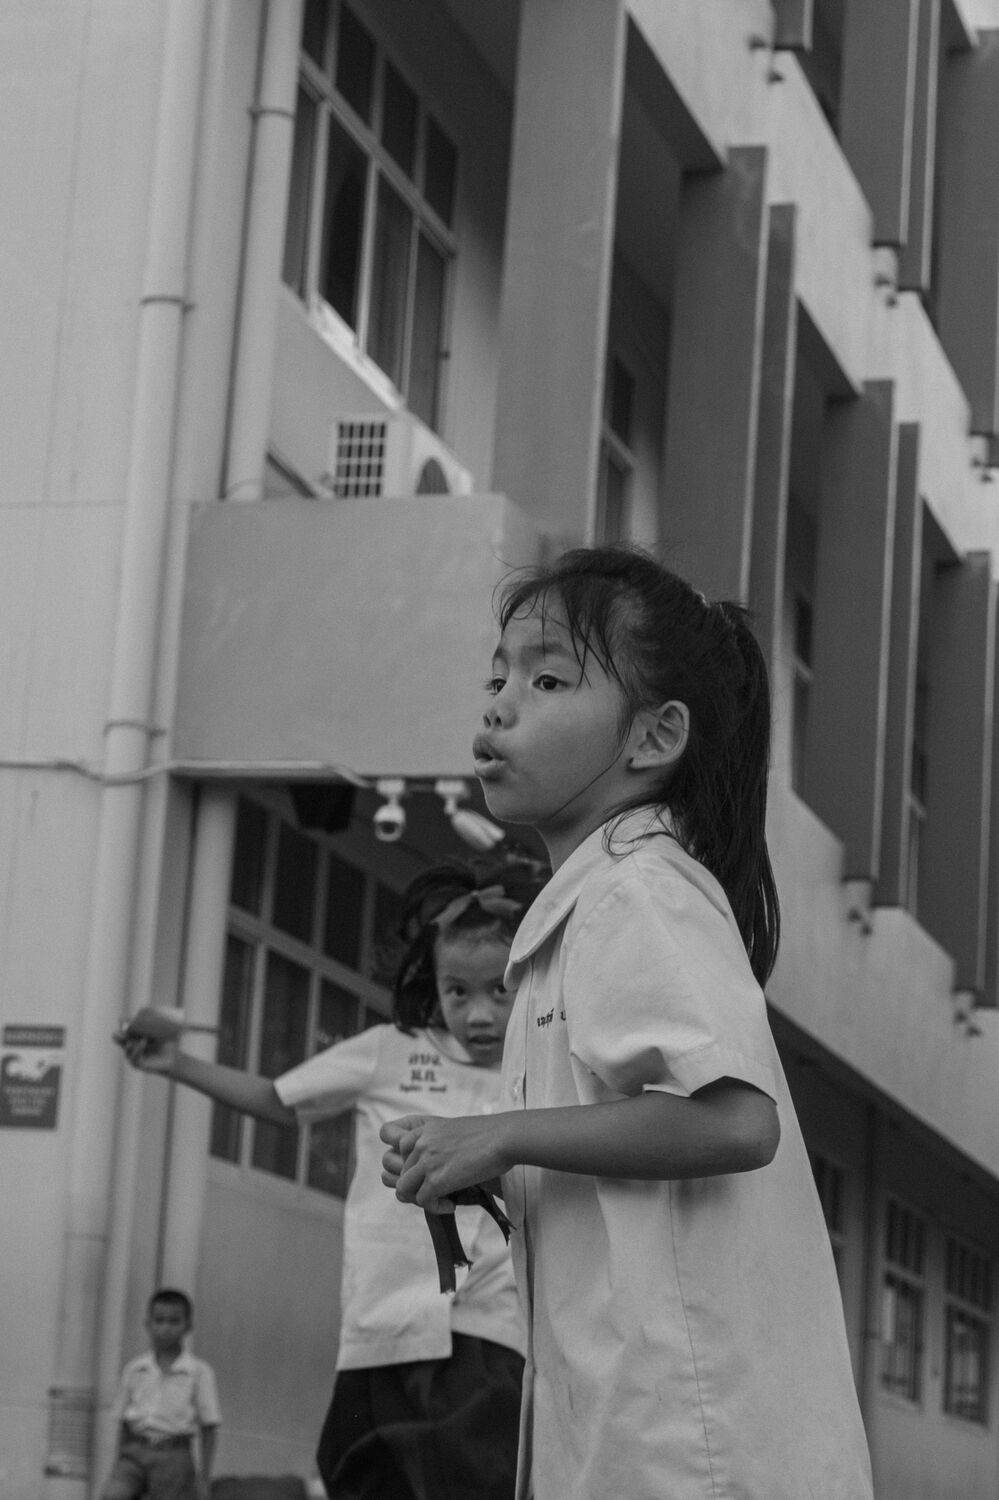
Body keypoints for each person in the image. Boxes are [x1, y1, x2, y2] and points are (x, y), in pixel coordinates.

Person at [381, 545, 876, 1499]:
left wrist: (499, 1136)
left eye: (547, 680)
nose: (499, 705)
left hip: (692, 1454)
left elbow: (736, 1122)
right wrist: (485, 1158)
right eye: (497, 677)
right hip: (642, 1441)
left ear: (653, 738)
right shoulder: (594, 901)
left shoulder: (635, 890)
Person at [119, 857, 546, 1500]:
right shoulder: (388, 1049)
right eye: (458, 991)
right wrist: (174, 1063)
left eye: (498, 991)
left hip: (490, 1328)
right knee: (363, 1481)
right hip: (382, 1323)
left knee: (477, 1481)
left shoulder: (539, 1069)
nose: (479, 1014)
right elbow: (277, 1099)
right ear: (431, 982)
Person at [101, 1287, 221, 1500]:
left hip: (174, 1453)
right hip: (135, 1451)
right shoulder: (135, 1369)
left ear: (188, 1326)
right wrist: (117, 1465)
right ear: (148, 1324)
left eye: (174, 1322)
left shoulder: (198, 1372)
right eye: (159, 1321)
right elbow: (124, 1422)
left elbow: (209, 1426)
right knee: (113, 1495)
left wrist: (204, 1478)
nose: (165, 1328)